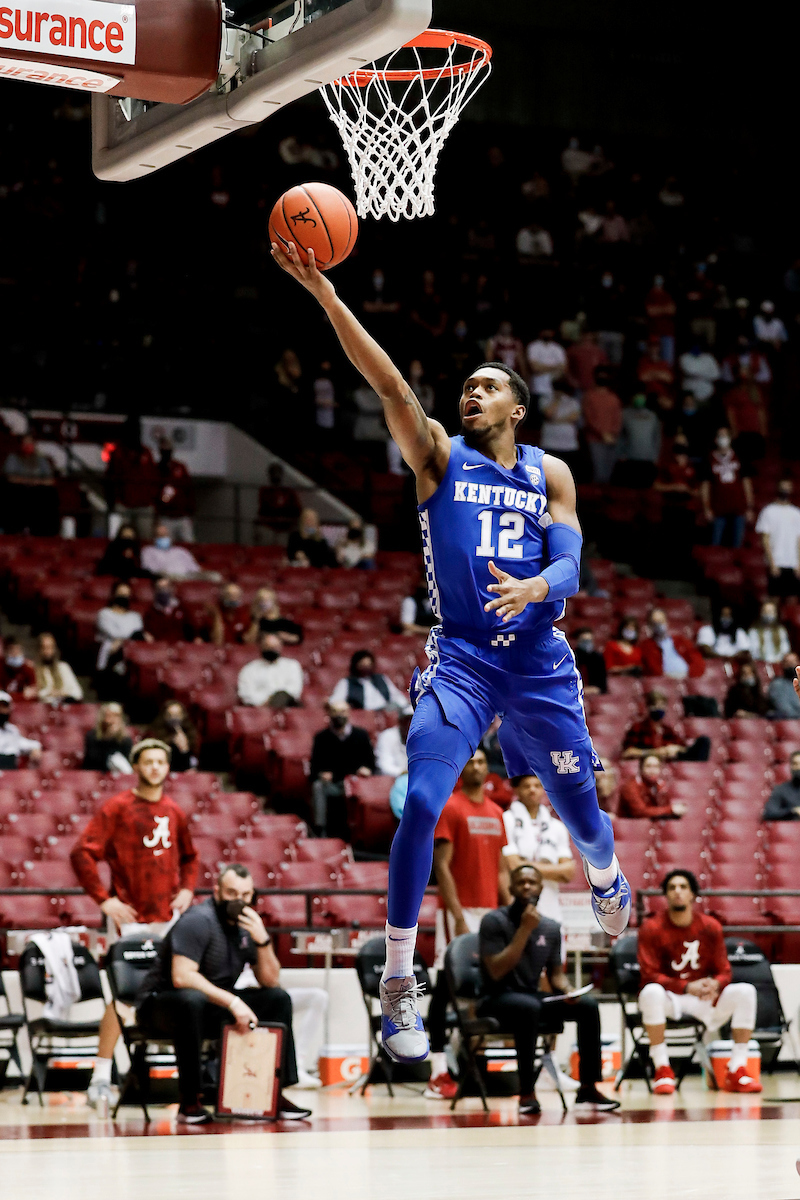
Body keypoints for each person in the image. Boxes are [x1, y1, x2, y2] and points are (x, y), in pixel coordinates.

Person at [271, 233, 630, 1069]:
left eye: (489, 386)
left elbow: (572, 563)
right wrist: (326, 295)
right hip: (463, 658)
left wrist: (538, 588)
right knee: (423, 803)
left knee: (583, 815)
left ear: (518, 409)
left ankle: (607, 873)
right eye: (467, 386)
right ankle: (401, 976)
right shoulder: (437, 456)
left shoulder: (553, 475)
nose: (472, 393)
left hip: (538, 657)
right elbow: (390, 383)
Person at [70, 739, 197, 1110]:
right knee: (123, 995)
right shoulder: (117, 807)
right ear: (136, 766)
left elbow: (190, 856)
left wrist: (188, 889)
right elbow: (82, 853)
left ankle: (188, 1075)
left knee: (173, 990)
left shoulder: (174, 810)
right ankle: (100, 1076)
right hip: (129, 918)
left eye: (161, 761)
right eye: (148, 761)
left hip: (168, 918)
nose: (155, 767)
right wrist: (104, 899)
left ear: (168, 767)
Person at [135, 863, 311, 1124]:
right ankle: (189, 1100)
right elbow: (182, 977)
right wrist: (233, 1001)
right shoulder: (198, 920)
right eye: (231, 894)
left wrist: (262, 940)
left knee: (277, 998)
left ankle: (275, 1093)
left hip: (210, 1006)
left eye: (245, 895)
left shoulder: (246, 927)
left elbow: (271, 980)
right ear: (217, 891)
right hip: (161, 1005)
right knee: (191, 1001)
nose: (238, 901)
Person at [478, 865, 620, 1115]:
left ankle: (588, 1087)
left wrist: (569, 991)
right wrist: (524, 930)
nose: (526, 887)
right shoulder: (494, 921)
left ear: (541, 888)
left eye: (532, 883)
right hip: (496, 997)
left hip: (532, 997)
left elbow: (556, 976)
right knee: (528, 1007)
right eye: (520, 882)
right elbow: (496, 971)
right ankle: (526, 1092)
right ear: (510, 888)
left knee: (587, 1006)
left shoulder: (551, 927)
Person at [424, 749, 510, 1101]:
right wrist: (457, 914)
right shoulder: (451, 807)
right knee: (445, 987)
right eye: (470, 762)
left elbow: (503, 869)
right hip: (457, 911)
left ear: (487, 769)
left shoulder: (497, 812)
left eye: (480, 762)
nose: (476, 767)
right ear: (462, 769)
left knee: (481, 989)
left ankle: (469, 1066)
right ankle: (437, 1071)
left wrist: (507, 909)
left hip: (489, 911)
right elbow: (441, 866)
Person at [638, 869, 761, 1094]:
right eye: (672, 887)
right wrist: (686, 986)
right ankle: (662, 1068)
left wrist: (715, 984)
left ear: (693, 894)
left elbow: (724, 970)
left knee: (745, 991)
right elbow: (649, 974)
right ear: (665, 894)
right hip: (671, 997)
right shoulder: (652, 928)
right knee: (649, 992)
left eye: (683, 887)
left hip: (704, 998)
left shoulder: (710, 926)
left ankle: (737, 1068)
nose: (677, 892)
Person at [501, 774, 575, 924]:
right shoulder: (506, 819)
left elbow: (568, 873)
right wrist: (555, 870)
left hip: (550, 903)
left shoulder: (557, 826)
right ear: (516, 790)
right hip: (517, 901)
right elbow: (512, 866)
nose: (532, 790)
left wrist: (525, 865)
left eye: (537, 786)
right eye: (526, 786)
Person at [309, 700, 375, 838]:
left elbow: (371, 764)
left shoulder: (361, 735)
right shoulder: (321, 738)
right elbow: (314, 769)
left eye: (343, 711)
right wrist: (322, 774)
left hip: (355, 783)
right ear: (329, 714)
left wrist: (366, 770)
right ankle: (320, 830)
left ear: (349, 713)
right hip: (332, 784)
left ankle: (362, 834)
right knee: (318, 786)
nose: (339, 715)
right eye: (335, 711)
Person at [95, 581, 150, 699]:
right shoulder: (104, 614)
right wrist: (129, 637)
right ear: (113, 595)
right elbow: (114, 633)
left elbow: (137, 635)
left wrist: (123, 640)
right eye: (121, 594)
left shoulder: (135, 616)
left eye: (127, 595)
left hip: (132, 654)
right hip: (111, 655)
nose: (124, 597)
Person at [622, 689, 710, 761]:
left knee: (703, 742)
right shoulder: (638, 727)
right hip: (649, 764)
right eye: (655, 705)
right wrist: (656, 752)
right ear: (648, 707)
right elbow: (628, 752)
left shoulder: (667, 729)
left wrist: (675, 748)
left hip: (670, 762)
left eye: (661, 705)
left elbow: (682, 747)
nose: (658, 708)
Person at [700, 430, 753, 548]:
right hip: (718, 509)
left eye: (725, 435)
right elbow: (705, 486)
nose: (723, 439)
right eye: (720, 436)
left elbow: (746, 482)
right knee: (715, 544)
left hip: (739, 508)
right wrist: (707, 507)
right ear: (715, 439)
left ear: (730, 438)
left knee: (737, 545)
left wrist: (749, 506)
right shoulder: (709, 459)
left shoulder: (739, 456)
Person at [1, 434, 59, 535]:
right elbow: (11, 478)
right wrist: (31, 481)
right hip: (19, 490)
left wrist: (33, 482)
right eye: (25, 443)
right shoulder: (13, 458)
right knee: (14, 491)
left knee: (48, 493)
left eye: (30, 443)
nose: (28, 446)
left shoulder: (41, 460)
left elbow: (50, 480)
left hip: (36, 490)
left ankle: (43, 530)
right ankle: (15, 528)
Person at [756, 481, 800, 598]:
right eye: (783, 488)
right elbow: (765, 539)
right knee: (774, 598)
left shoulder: (796, 513)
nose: (785, 491)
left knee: (792, 599)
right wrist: (772, 563)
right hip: (776, 561)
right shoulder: (768, 511)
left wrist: (799, 563)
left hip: (792, 563)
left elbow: (798, 540)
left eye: (788, 488)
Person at [237, 631, 303, 708]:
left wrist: (275, 699)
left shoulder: (292, 666)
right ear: (261, 646)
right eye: (268, 647)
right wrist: (267, 702)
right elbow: (246, 694)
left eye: (274, 647)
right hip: (259, 710)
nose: (271, 650)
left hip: (287, 706)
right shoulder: (249, 670)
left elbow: (294, 689)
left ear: (280, 646)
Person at [329, 650, 408, 712]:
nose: (366, 667)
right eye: (363, 664)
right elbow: (336, 702)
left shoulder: (381, 678)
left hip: (385, 712)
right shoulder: (346, 682)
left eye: (368, 664)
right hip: (362, 715)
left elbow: (396, 696)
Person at [582, 367, 623, 483]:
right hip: (594, 440)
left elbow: (618, 419)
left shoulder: (613, 398)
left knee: (608, 474)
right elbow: (588, 419)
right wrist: (602, 434)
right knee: (598, 473)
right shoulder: (589, 396)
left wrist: (613, 435)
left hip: (611, 440)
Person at [640, 607, 705, 679]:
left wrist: (691, 675)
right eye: (654, 622)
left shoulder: (681, 640)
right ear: (649, 625)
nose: (658, 625)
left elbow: (697, 659)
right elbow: (652, 668)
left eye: (661, 621)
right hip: (665, 681)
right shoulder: (646, 645)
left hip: (687, 677)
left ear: (667, 622)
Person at [153, 435, 195, 544]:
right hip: (165, 516)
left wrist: (190, 511)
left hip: (182, 516)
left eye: (168, 447)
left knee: (189, 543)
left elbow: (188, 489)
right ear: (160, 450)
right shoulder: (156, 469)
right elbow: (153, 492)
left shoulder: (180, 467)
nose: (166, 450)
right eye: (163, 447)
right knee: (166, 543)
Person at [618, 754, 687, 819]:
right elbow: (640, 812)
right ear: (641, 768)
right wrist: (671, 809)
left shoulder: (660, 785)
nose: (652, 770)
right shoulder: (631, 786)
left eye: (656, 766)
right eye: (648, 766)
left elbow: (663, 808)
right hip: (629, 828)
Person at [537, 380, 581, 474]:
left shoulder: (572, 401)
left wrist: (555, 420)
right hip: (550, 444)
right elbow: (549, 414)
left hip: (569, 445)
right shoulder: (545, 399)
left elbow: (574, 417)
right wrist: (556, 400)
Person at [145, 701, 199, 772]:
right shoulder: (154, 734)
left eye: (177, 715)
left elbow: (193, 763)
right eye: (170, 715)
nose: (174, 719)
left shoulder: (190, 734)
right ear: (164, 716)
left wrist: (184, 750)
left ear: (183, 716)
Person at [82, 702, 134, 771]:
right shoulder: (92, 735)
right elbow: (92, 760)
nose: (113, 720)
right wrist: (108, 737)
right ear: (103, 717)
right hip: (94, 773)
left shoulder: (126, 739)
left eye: (116, 716)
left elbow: (126, 763)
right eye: (109, 715)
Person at [34, 632, 83, 704]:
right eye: (44, 647)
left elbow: (77, 693)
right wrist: (49, 693)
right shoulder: (33, 669)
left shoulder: (63, 667)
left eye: (50, 647)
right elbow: (35, 694)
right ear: (39, 650)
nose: (47, 651)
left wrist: (60, 693)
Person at [257, 463, 301, 536]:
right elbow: (263, 508)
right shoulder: (264, 491)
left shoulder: (288, 491)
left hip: (287, 525)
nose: (275, 476)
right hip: (269, 525)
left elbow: (297, 509)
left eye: (277, 473)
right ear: (270, 475)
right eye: (273, 473)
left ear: (281, 475)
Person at [143, 578, 193, 643]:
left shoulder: (182, 608)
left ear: (172, 588)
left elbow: (192, 629)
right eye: (160, 588)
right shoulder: (150, 612)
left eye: (166, 586)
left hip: (180, 646)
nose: (164, 590)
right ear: (155, 590)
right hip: (160, 648)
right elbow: (147, 633)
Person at [0, 691, 42, 768]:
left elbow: (24, 744)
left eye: (4, 707)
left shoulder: (12, 730)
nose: (1, 710)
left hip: (10, 773)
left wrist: (35, 748)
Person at [525, 329, 568, 399]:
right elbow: (534, 368)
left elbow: (564, 368)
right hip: (538, 388)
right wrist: (555, 367)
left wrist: (542, 367)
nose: (547, 333)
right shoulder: (533, 346)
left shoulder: (558, 348)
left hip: (554, 389)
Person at [748, 600, 791, 665]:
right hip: (761, 664)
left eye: (771, 612)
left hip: (779, 663)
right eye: (765, 611)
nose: (768, 614)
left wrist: (779, 660)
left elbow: (785, 649)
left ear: (776, 613)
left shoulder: (781, 630)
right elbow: (753, 651)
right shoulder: (754, 631)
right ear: (761, 613)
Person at [375, 706, 413, 778]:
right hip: (393, 780)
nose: (409, 724)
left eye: (413, 721)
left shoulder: (424, 738)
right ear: (400, 721)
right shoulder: (387, 736)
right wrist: (403, 772)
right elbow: (384, 765)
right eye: (407, 720)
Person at [762, 751, 800, 820]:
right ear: (791, 767)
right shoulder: (781, 790)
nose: (798, 767)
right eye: (795, 764)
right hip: (790, 828)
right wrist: (793, 811)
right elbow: (769, 813)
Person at [574, 627, 607, 694]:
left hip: (595, 694)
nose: (587, 643)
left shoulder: (598, 657)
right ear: (578, 641)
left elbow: (603, 684)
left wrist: (595, 689)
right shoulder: (572, 657)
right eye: (584, 641)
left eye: (589, 640)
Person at [767, 653, 800, 718]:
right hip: (789, 722)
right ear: (783, 665)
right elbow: (785, 709)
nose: (791, 666)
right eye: (788, 663)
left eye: (793, 662)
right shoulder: (777, 685)